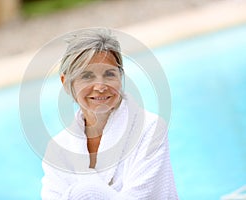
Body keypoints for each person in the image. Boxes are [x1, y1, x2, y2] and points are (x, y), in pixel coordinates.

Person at [41, 28, 178, 199]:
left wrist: (84, 192)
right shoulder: (58, 148)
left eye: (109, 74)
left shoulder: (150, 128)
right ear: (66, 82)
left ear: (120, 76)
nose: (100, 86)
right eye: (87, 76)